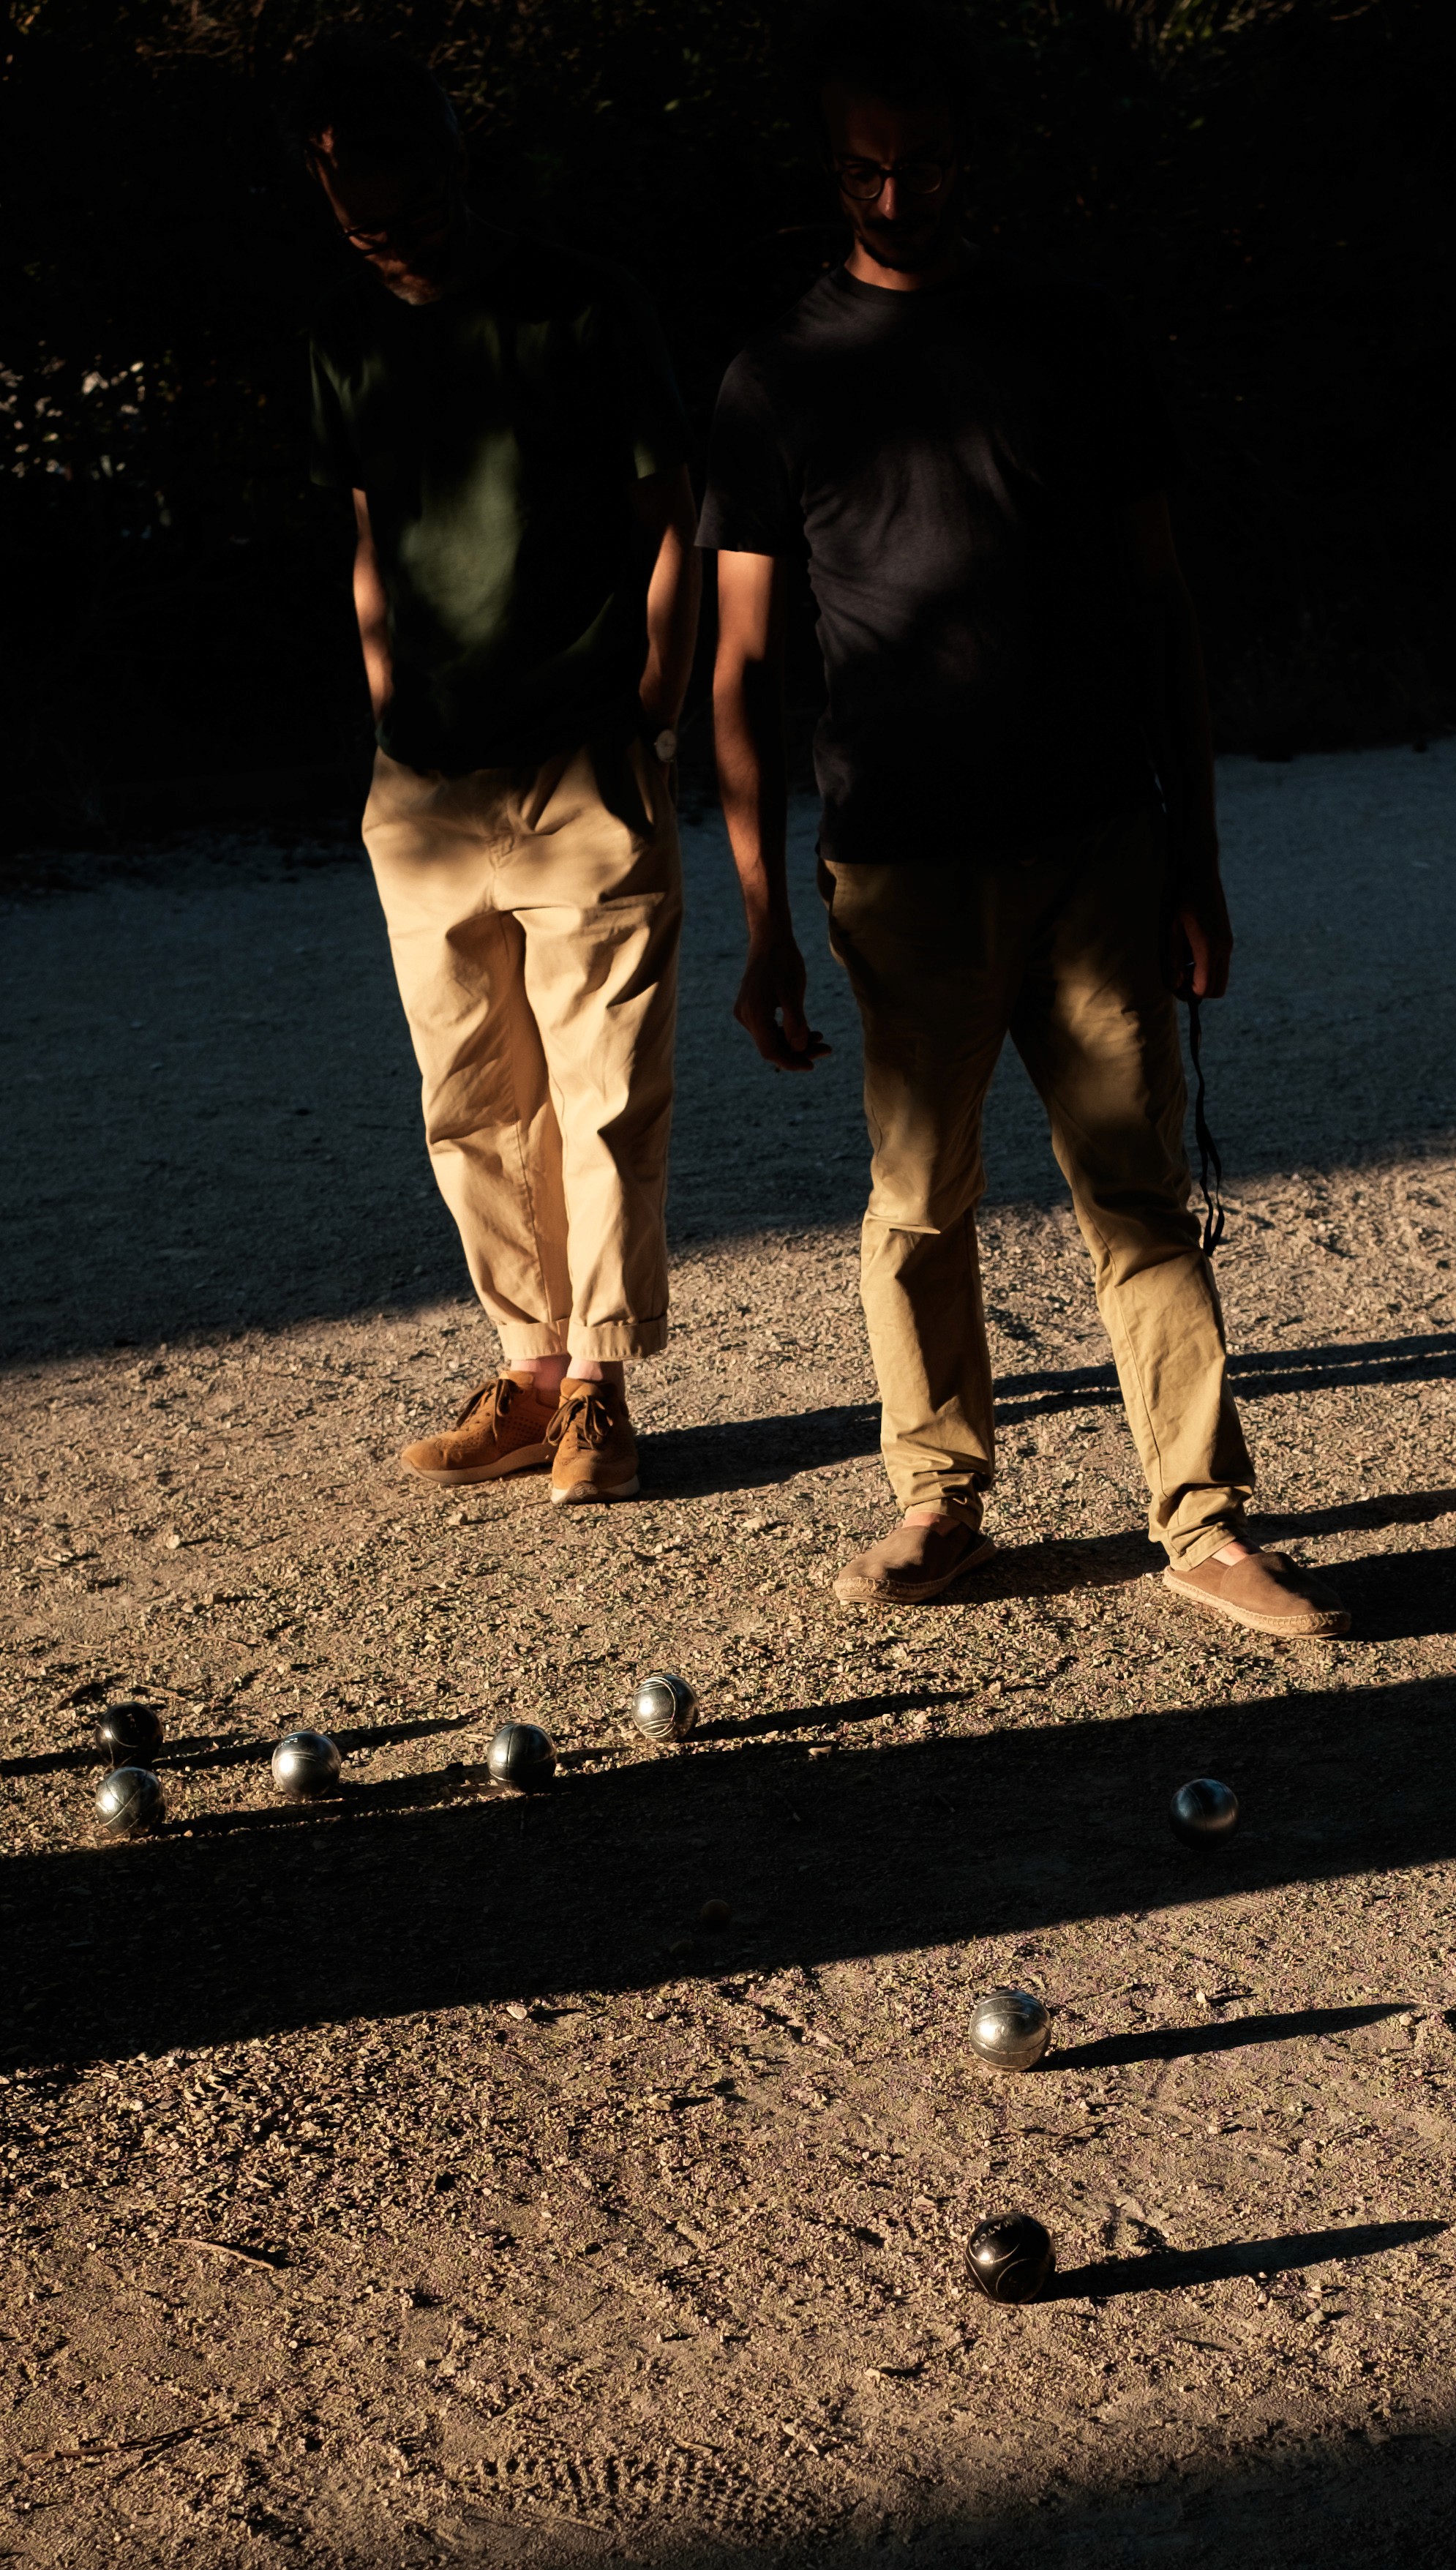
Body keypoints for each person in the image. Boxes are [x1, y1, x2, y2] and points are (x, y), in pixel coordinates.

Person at [701, 0, 1346, 1636]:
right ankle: (940, 1499)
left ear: (970, 159)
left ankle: (1201, 1521)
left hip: (1091, 845)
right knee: (918, 1201)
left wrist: (1195, 855)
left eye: (920, 165)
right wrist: (764, 914)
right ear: (830, 168)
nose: (896, 197)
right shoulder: (777, 382)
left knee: (1132, 1194)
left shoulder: (1071, 342)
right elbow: (741, 666)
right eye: (864, 169)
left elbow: (1160, 613)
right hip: (899, 862)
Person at [290, 33, 702, 1506]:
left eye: (397, 201)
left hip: (578, 752)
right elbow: (366, 531)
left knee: (602, 1091)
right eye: (351, 209)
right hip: (426, 779)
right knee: (467, 1091)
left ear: (454, 163)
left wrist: (654, 707)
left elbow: (673, 509)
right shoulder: (346, 331)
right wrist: (385, 691)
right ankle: (528, 1369)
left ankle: (600, 1382)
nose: (378, 233)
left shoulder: (582, 307)